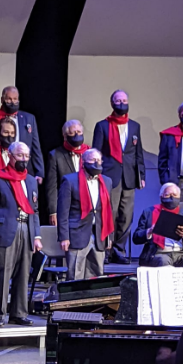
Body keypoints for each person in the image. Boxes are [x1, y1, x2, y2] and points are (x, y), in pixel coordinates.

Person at [0, 141, 42, 327]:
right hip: (5, 230)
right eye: (20, 155)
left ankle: (19, 313)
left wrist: (37, 236)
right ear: (10, 156)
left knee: (23, 274)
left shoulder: (31, 180)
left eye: (26, 156)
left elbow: (35, 210)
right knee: (2, 273)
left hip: (26, 229)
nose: (24, 159)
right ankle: (0, 315)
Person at [93, 90, 146, 264]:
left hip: (129, 176)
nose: (122, 103)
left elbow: (138, 154)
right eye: (118, 100)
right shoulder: (102, 126)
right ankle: (106, 250)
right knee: (110, 214)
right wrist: (97, 175)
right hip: (110, 176)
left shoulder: (135, 126)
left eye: (124, 100)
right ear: (112, 103)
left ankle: (119, 250)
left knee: (126, 215)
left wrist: (141, 175)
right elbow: (96, 153)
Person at [57, 149, 114, 281]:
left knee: (97, 275)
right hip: (77, 234)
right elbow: (63, 212)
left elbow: (108, 211)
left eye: (99, 160)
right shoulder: (70, 180)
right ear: (83, 162)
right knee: (75, 275)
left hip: (99, 235)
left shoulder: (107, 181)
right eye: (93, 160)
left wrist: (109, 236)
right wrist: (64, 237)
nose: (97, 163)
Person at [0, 86, 44, 182]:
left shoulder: (29, 119)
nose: (12, 102)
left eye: (15, 99)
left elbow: (35, 147)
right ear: (2, 100)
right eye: (9, 99)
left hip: (24, 170)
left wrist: (39, 172)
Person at [133, 183, 183, 267]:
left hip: (181, 252)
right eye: (168, 195)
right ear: (161, 196)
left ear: (179, 197)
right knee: (163, 261)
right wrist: (149, 232)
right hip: (158, 253)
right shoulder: (149, 212)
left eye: (175, 195)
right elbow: (136, 238)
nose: (172, 197)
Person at [46, 120, 89, 226]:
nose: (76, 135)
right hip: (67, 208)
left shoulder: (90, 153)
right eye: (72, 133)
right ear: (65, 136)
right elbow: (52, 186)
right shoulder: (55, 155)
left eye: (79, 132)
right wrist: (53, 211)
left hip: (87, 206)